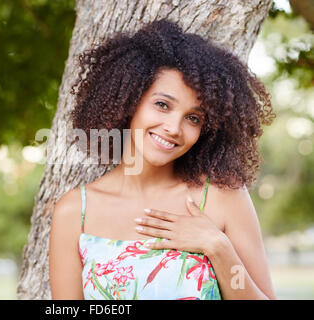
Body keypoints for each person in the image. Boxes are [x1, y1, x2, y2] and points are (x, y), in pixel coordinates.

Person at [49, 17, 277, 300]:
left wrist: (218, 247)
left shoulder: (221, 196)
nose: (173, 128)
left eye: (193, 118)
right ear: (129, 99)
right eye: (162, 105)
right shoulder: (75, 211)